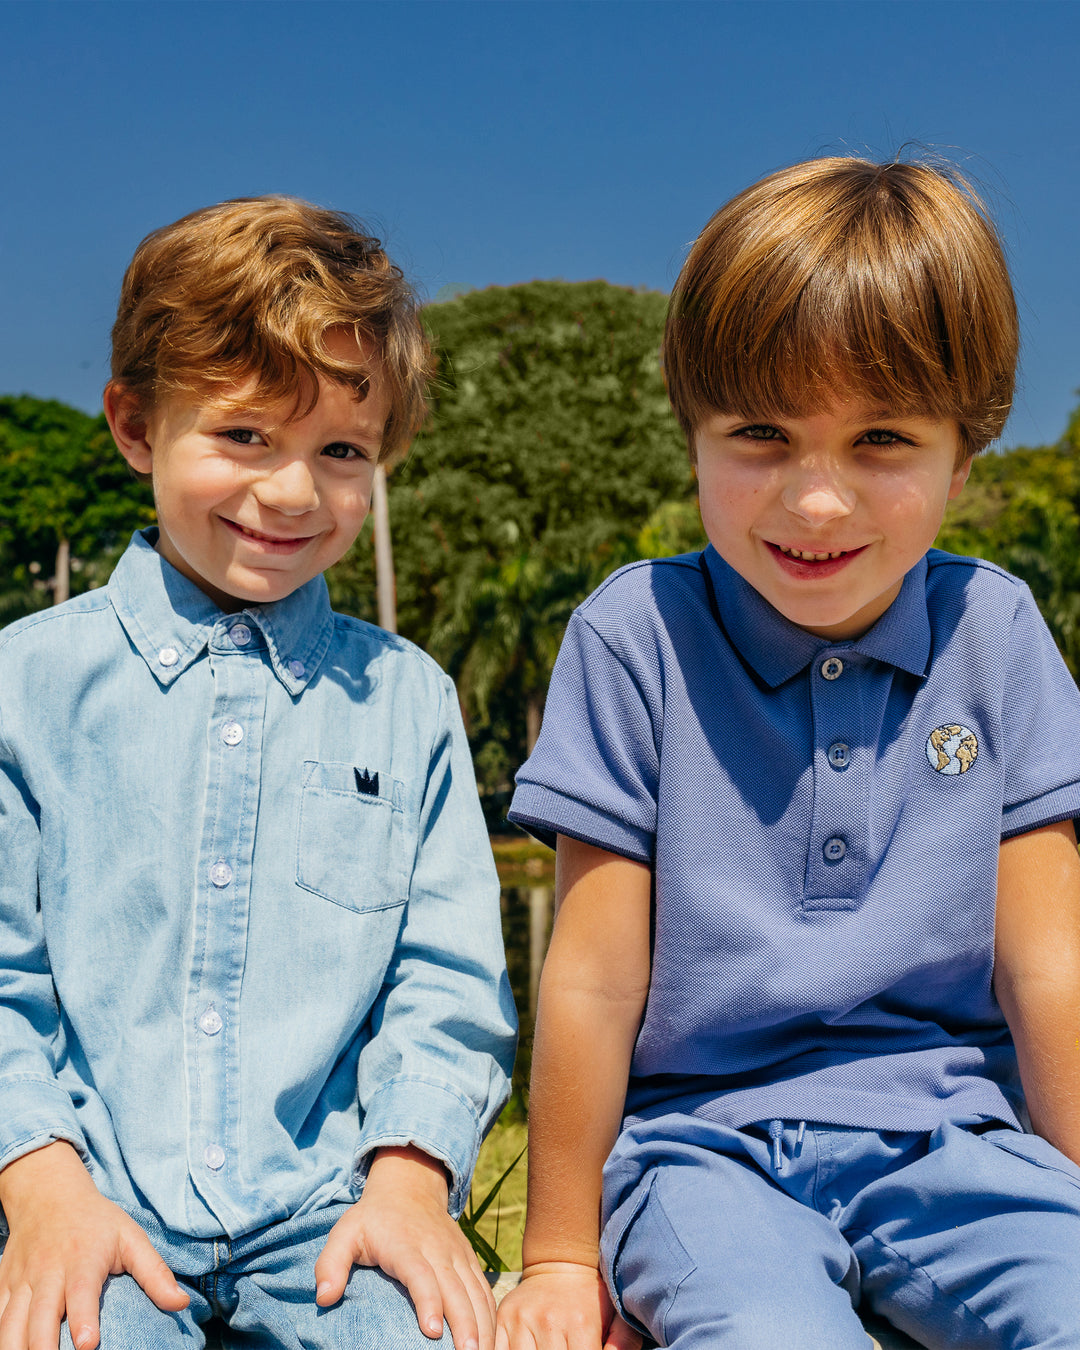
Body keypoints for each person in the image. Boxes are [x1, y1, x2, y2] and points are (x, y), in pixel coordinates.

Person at [497, 157, 1080, 1349]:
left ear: (962, 462)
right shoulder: (635, 635)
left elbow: (1047, 969)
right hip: (702, 1149)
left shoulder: (1000, 632)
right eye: (760, 434)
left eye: (881, 441)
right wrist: (559, 1254)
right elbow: (595, 979)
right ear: (693, 438)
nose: (818, 502)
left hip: (959, 1138)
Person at [0, 196, 516, 1350]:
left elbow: (446, 979)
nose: (292, 493)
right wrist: (42, 1193)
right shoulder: (22, 690)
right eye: (244, 437)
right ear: (136, 427)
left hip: (333, 1214)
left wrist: (409, 1181)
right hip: (91, 1200)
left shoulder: (409, 702)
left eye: (341, 451)